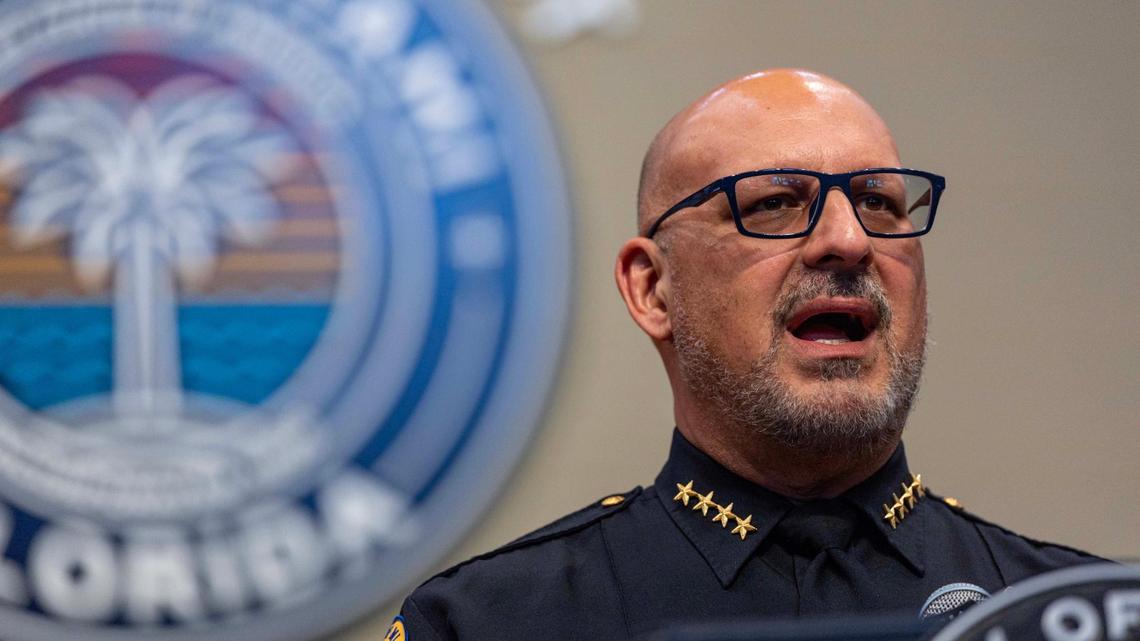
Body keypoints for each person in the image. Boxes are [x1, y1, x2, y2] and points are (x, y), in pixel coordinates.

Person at [388, 69, 1101, 641]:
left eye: (880, 202)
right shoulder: (484, 623)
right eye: (774, 204)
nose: (848, 241)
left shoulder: (1080, 617)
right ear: (653, 288)